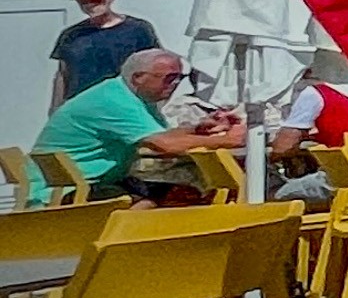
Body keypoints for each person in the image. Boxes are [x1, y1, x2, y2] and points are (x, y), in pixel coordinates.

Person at [34, 50, 243, 198]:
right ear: (138, 77)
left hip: (85, 180)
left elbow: (162, 137)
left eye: (180, 78)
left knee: (179, 192)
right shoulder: (115, 101)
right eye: (169, 78)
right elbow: (165, 146)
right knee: (166, 198)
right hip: (67, 188)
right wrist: (229, 141)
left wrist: (199, 129)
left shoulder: (128, 95)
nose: (176, 84)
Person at [49, 0, 160, 104]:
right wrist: (56, 109)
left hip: (125, 103)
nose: (90, 5)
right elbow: (62, 74)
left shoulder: (138, 29)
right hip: (82, 104)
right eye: (83, 0)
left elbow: (155, 66)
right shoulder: (71, 35)